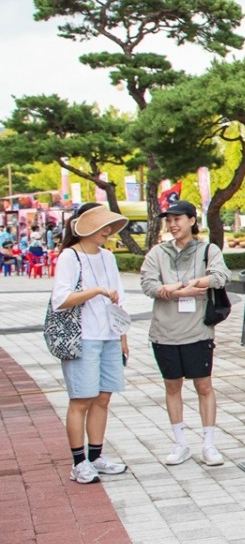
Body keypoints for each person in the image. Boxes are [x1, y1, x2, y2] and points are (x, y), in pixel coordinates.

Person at [139, 200, 230, 466]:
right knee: (172, 386)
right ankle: (180, 444)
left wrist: (183, 286)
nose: (172, 224)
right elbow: (148, 284)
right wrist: (185, 290)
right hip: (164, 331)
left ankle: (209, 445)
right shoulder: (158, 253)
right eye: (169, 220)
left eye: (178, 219)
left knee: (204, 385)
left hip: (198, 331)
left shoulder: (207, 250)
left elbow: (220, 276)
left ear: (192, 220)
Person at [50, 203, 131, 484]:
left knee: (103, 397)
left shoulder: (108, 258)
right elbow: (60, 300)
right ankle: (78, 462)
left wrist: (122, 336)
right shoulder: (70, 257)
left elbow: (119, 297)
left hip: (109, 335)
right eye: (102, 225)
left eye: (109, 225)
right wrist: (95, 291)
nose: (107, 231)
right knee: (81, 399)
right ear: (85, 227)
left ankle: (97, 456)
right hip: (82, 337)